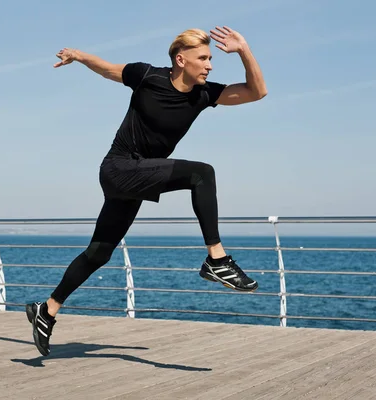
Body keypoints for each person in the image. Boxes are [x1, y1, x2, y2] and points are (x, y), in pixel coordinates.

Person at [26, 26, 267, 356]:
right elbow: (108, 68)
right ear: (181, 60)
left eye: (211, 58)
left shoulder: (203, 95)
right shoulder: (147, 76)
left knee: (99, 253)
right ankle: (217, 259)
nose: (210, 65)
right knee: (201, 174)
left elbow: (257, 91)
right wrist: (79, 56)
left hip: (139, 178)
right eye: (203, 58)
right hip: (119, 168)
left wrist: (244, 50)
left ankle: (47, 309)